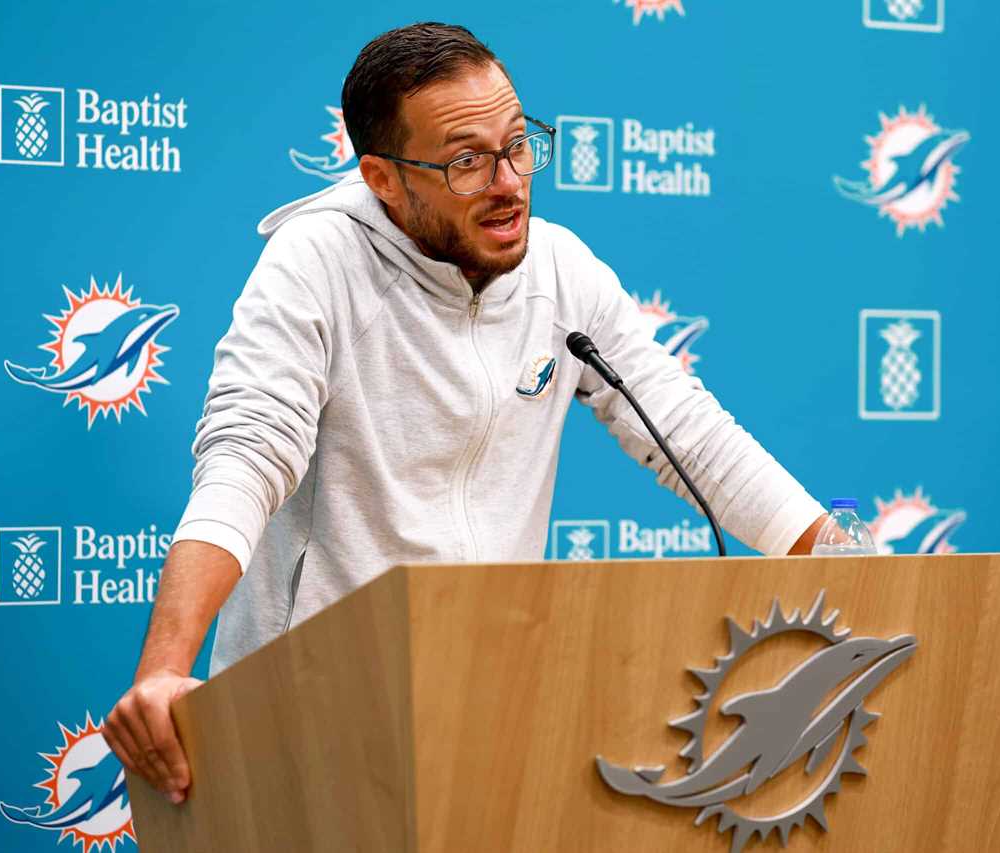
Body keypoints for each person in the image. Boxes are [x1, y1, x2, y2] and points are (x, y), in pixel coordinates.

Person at [103, 21, 828, 806]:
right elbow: (247, 456)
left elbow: (692, 434)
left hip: (490, 705)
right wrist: (164, 672)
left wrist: (846, 560)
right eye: (466, 160)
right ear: (382, 177)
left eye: (518, 145)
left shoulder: (561, 269)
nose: (509, 182)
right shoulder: (315, 262)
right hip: (308, 714)